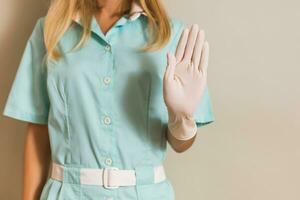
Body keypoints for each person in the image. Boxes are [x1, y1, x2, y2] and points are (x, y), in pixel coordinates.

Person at [2, 0, 215, 199]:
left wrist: (182, 118)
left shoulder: (171, 35)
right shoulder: (50, 30)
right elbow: (38, 131)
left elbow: (181, 144)